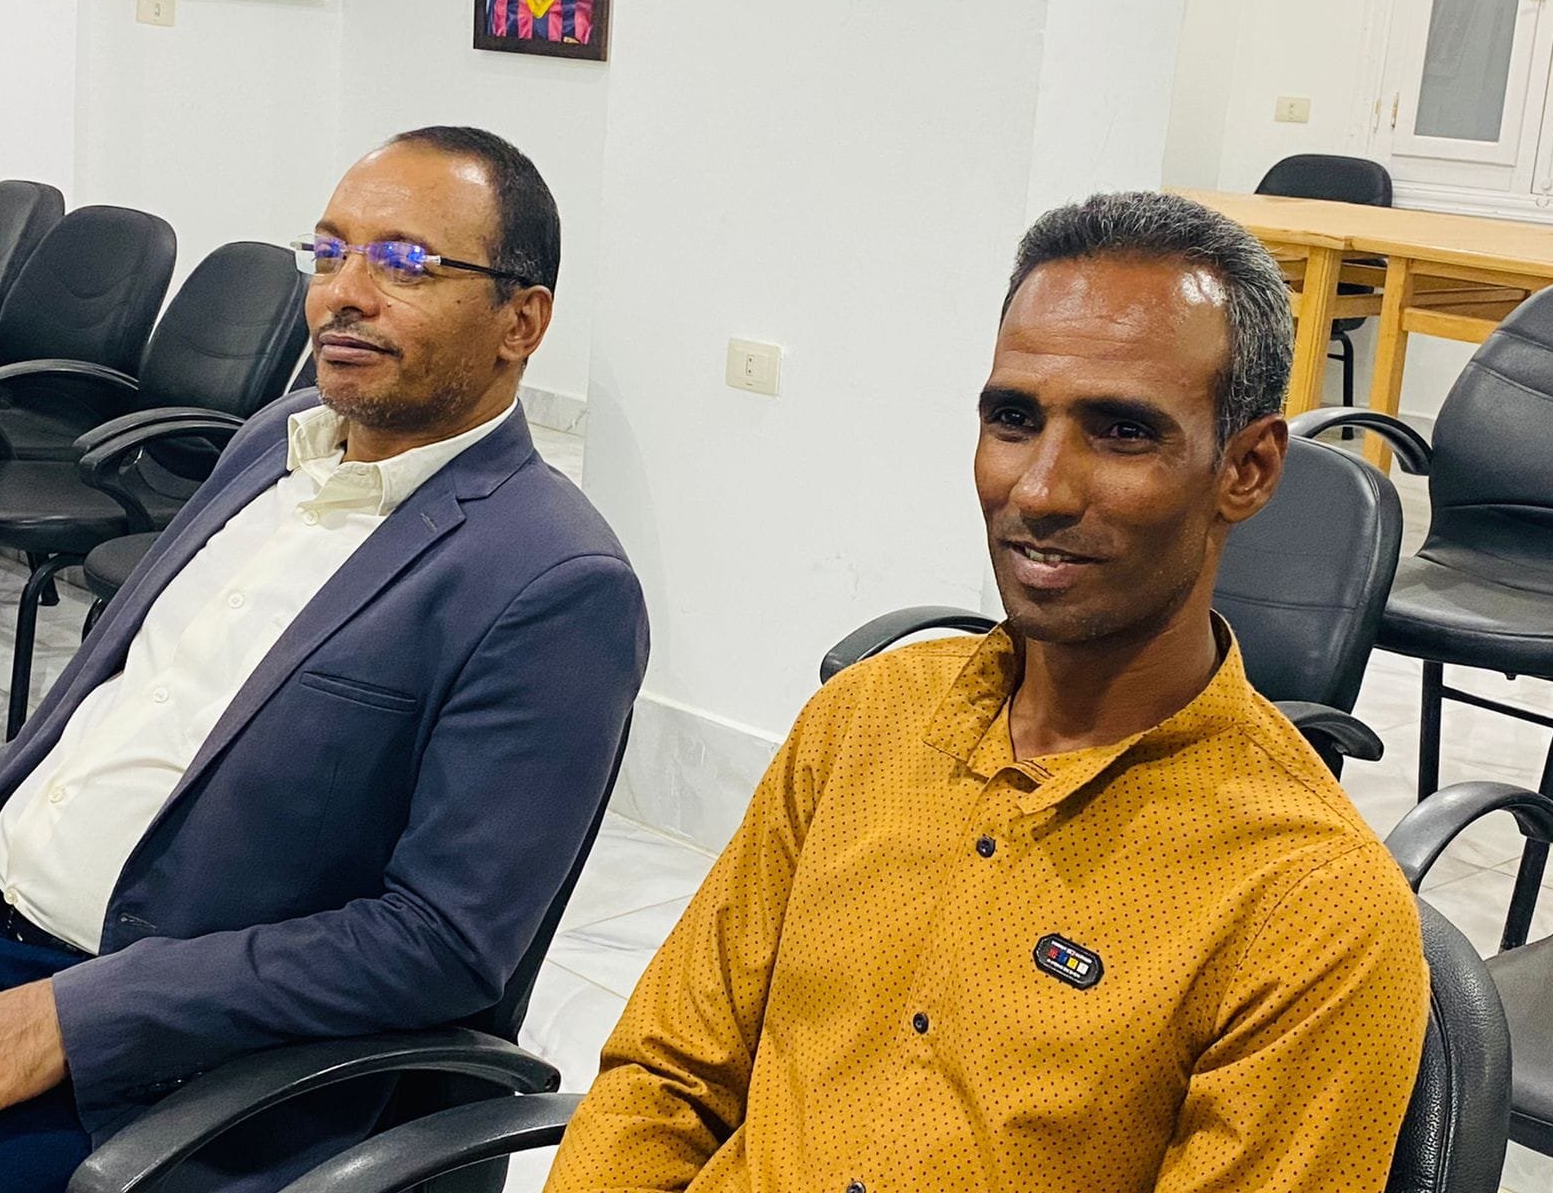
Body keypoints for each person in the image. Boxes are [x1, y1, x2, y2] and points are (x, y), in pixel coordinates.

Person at [546, 191, 1427, 1193]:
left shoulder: (1312, 909)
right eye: (1013, 419)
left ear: (1247, 469)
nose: (1039, 490)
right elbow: (666, 1074)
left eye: (1121, 432)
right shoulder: (863, 720)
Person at [0, 125, 648, 1192]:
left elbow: (440, 943)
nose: (342, 295)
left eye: (404, 263)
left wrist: (73, 1017)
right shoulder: (276, 438)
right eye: (329, 253)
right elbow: (122, 687)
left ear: (522, 321)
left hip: (149, 1062)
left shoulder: (551, 581)